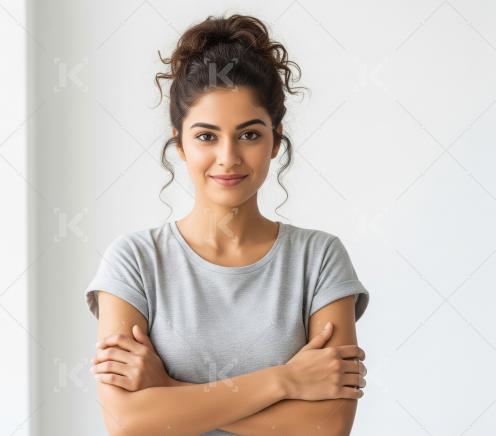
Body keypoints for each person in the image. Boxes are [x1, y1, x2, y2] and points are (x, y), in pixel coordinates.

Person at [83, 13, 370, 435]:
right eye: (206, 136)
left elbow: (328, 428)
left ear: (275, 140)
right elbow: (129, 422)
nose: (228, 157)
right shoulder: (135, 262)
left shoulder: (319, 259)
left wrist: (168, 391)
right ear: (178, 142)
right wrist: (285, 380)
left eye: (250, 134)